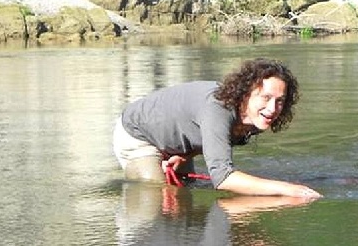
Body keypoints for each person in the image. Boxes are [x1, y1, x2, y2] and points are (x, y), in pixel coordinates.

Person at [113, 57, 322, 198]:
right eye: (266, 98)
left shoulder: (257, 118)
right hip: (139, 134)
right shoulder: (219, 109)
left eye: (280, 101)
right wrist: (289, 190)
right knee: (157, 193)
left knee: (184, 193)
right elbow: (222, 178)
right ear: (245, 94)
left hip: (177, 143)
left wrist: (187, 155)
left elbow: (215, 135)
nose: (272, 108)